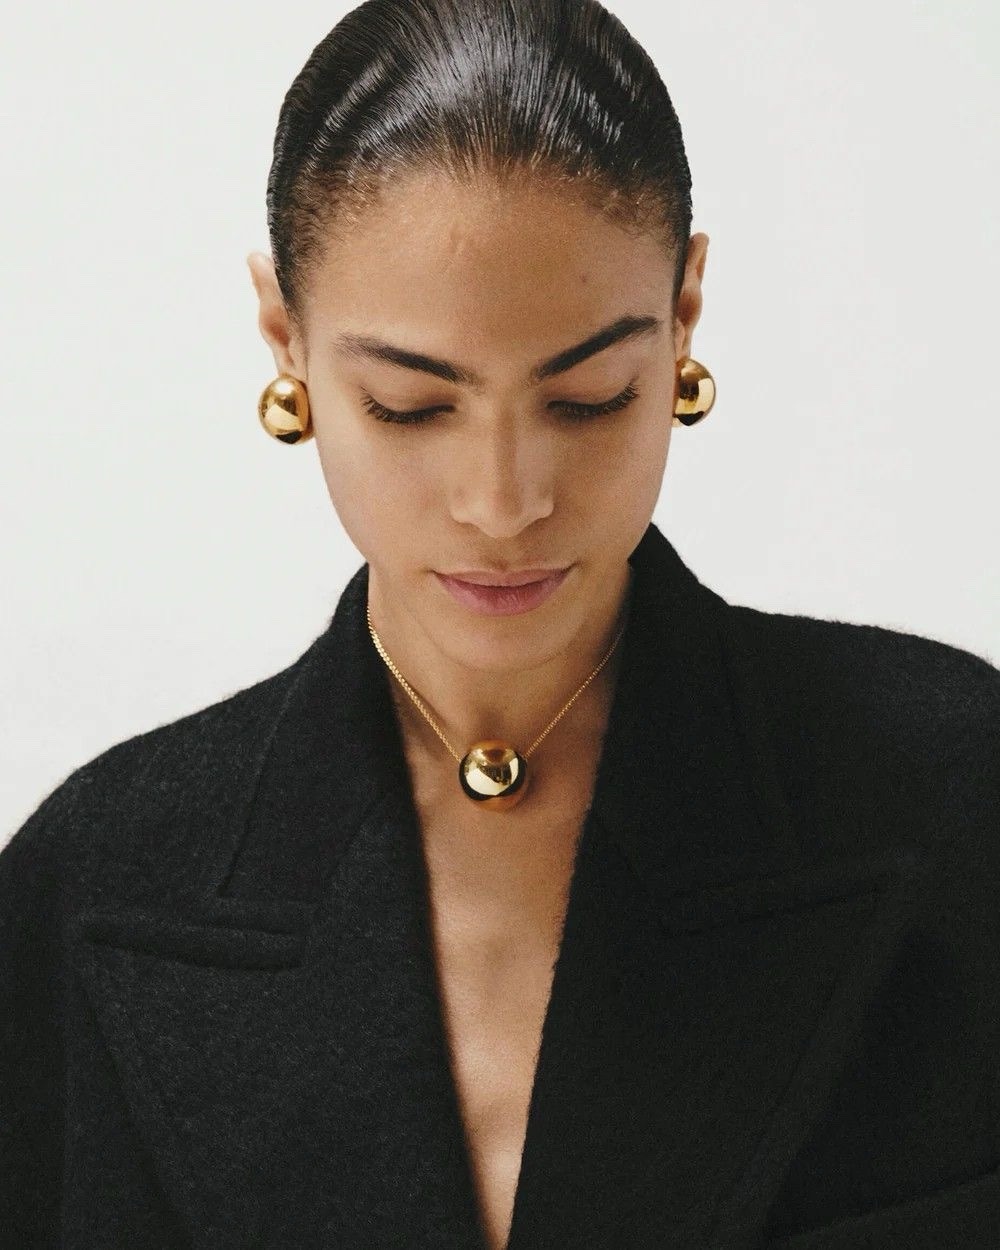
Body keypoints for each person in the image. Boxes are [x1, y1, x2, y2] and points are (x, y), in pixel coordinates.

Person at [3, 0, 999, 1246]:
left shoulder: (957, 797)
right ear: (285, 342)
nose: (503, 499)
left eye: (588, 396)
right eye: (411, 404)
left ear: (684, 314)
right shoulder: (91, 883)